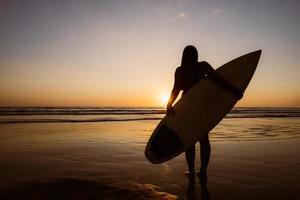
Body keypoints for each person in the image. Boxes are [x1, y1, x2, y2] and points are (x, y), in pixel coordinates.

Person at [166, 45, 243, 186]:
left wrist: (169, 104)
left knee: (189, 141)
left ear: (183, 56)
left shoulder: (180, 70)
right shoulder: (202, 66)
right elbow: (219, 80)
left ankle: (191, 170)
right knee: (203, 139)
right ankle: (202, 171)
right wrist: (234, 90)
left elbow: (176, 90)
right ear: (196, 55)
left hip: (187, 107)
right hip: (202, 107)